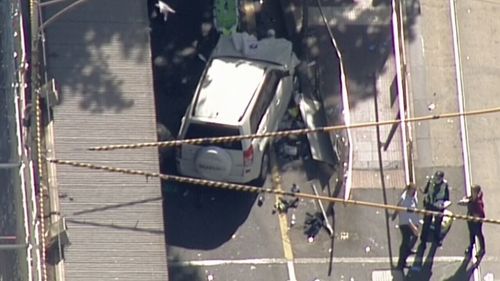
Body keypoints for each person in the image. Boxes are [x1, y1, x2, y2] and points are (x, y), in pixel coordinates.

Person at [392, 183, 420, 270]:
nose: (414, 193)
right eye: (413, 191)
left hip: (413, 222)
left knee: (414, 237)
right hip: (406, 224)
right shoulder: (404, 200)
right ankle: (401, 263)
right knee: (405, 242)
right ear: (409, 190)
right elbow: (405, 217)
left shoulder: (413, 196)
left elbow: (415, 207)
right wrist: (413, 227)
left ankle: (408, 250)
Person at [420, 170, 450, 246]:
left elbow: (446, 197)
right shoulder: (430, 181)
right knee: (426, 222)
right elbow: (425, 191)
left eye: (438, 178)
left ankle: (437, 239)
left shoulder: (445, 184)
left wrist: (443, 204)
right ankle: (423, 240)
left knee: (438, 223)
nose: (436, 180)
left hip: (438, 207)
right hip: (429, 204)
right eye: (436, 177)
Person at [458, 184, 486, 259]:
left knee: (478, 234)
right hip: (470, 220)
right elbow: (469, 200)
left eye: (473, 191)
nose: (471, 192)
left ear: (477, 193)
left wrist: (475, 217)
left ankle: (482, 249)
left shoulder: (478, 203)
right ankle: (471, 245)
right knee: (471, 233)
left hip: (476, 222)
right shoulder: (472, 198)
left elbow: (481, 214)